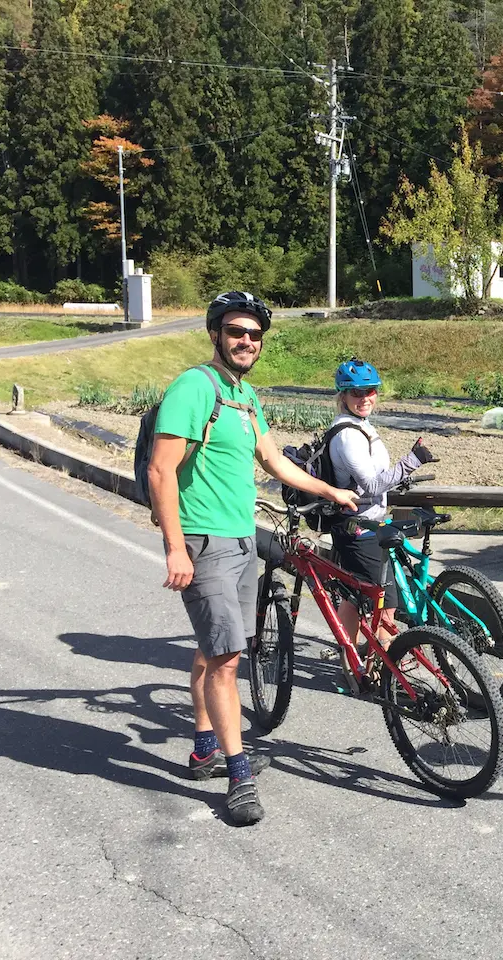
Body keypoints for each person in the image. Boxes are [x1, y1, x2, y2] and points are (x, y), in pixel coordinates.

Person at [147, 291, 358, 827]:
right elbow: (161, 470)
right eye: (237, 331)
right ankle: (237, 774)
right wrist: (175, 547)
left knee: (216, 649)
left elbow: (273, 460)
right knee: (226, 660)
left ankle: (203, 749)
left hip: (242, 539)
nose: (247, 341)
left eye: (255, 335)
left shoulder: (245, 396)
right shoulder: (196, 387)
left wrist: (329, 492)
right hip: (203, 542)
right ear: (216, 333)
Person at [326, 358, 436, 661]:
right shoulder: (348, 435)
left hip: (365, 524)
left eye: (370, 391)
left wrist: (400, 478)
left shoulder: (361, 426)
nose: (365, 398)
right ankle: (388, 664)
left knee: (354, 595)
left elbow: (373, 481)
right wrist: (411, 461)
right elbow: (372, 485)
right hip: (357, 528)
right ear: (343, 396)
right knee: (385, 599)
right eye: (357, 393)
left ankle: (352, 660)